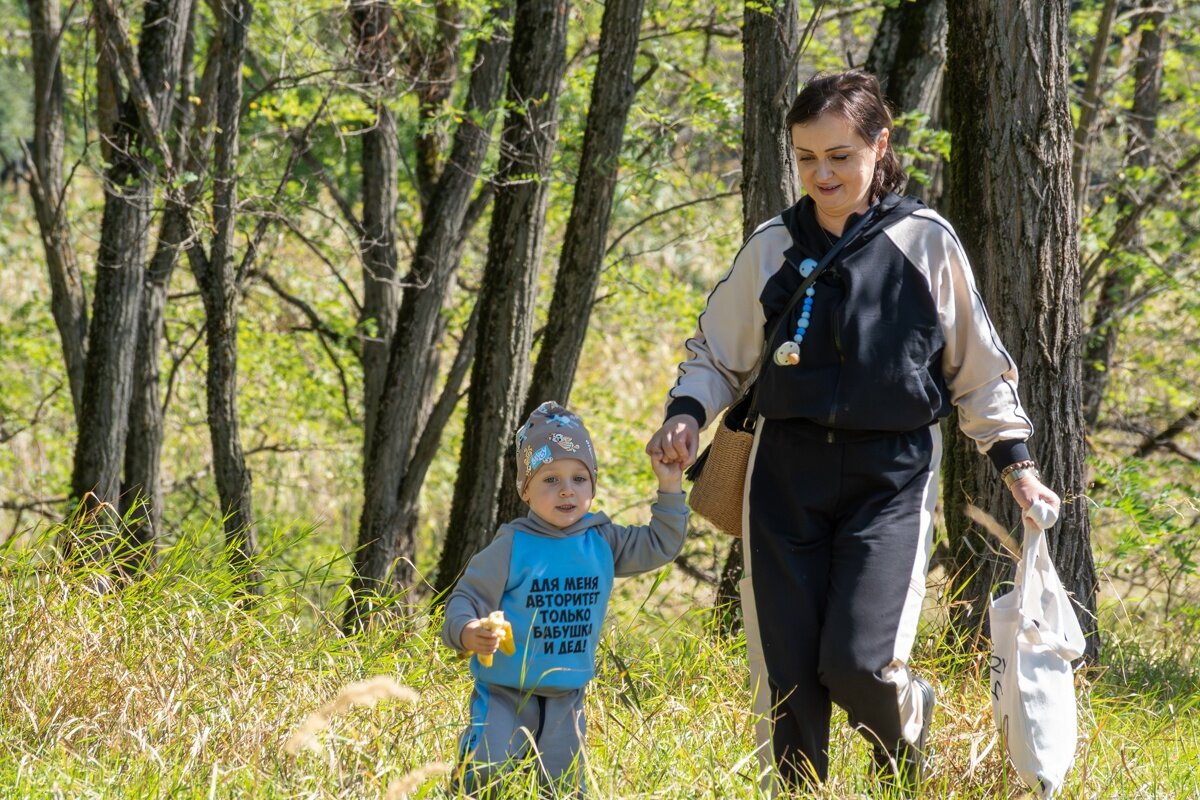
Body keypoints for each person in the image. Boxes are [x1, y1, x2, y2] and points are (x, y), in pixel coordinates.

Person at [646, 70, 1060, 794]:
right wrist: (685, 414)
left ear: (879, 145)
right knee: (787, 675)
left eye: (839, 155)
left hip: (891, 474)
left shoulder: (925, 241)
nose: (822, 173)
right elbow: (716, 353)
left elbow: (978, 367)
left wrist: (1015, 462)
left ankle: (904, 733)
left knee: (857, 663)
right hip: (785, 472)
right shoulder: (774, 244)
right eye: (806, 157)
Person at [443, 401, 688, 796]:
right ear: (525, 489)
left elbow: (661, 544)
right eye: (550, 479)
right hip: (506, 690)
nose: (566, 490)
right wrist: (469, 631)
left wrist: (670, 486)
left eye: (578, 478)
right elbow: (465, 599)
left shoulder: (603, 540)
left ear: (592, 485)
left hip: (566, 697)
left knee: (562, 786)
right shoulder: (512, 544)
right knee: (487, 766)